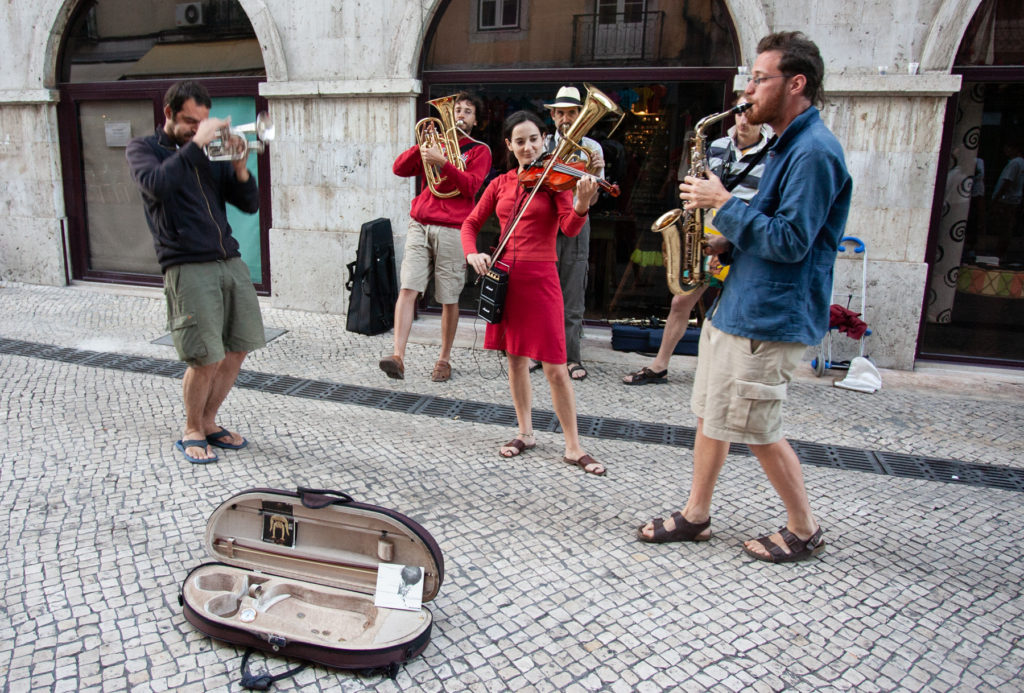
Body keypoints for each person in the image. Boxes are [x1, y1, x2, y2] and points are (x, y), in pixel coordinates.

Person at [637, 32, 852, 562]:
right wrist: (725, 239)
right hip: (740, 304)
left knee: (758, 428)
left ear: (795, 83)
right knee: (713, 414)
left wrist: (723, 204)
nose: (748, 88)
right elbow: (774, 223)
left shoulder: (815, 151)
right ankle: (696, 515)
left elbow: (792, 240)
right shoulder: (787, 143)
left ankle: (804, 528)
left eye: (759, 78)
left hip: (769, 315)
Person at [126, 80, 265, 464]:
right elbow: (157, 186)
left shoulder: (206, 154)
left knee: (237, 349)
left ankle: (208, 422)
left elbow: (249, 204)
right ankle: (191, 428)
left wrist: (240, 169)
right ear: (168, 113)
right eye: (189, 122)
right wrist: (194, 145)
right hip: (186, 263)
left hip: (228, 259)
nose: (196, 129)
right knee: (204, 356)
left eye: (201, 122)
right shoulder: (144, 150)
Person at [462, 110, 606, 476]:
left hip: (541, 281)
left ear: (544, 140)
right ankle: (525, 432)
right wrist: (472, 252)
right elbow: (471, 222)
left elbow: (570, 229)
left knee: (556, 368)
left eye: (533, 139)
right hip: (506, 277)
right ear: (509, 145)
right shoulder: (501, 183)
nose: (527, 147)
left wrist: (583, 204)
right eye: (519, 141)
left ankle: (573, 446)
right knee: (514, 360)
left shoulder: (553, 182)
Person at [623, 96, 772, 385]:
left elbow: (764, 208)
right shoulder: (716, 148)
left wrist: (729, 244)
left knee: (738, 307)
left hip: (742, 241)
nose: (742, 120)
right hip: (707, 233)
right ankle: (659, 365)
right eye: (739, 113)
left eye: (749, 112)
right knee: (681, 302)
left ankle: (738, 373)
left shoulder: (772, 155)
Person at [379, 93, 492, 382]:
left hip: (455, 228)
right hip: (420, 222)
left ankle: (444, 359)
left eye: (468, 112)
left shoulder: (480, 151)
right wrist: (424, 146)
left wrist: (444, 163)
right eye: (457, 110)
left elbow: (470, 188)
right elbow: (399, 169)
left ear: (476, 120)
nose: (460, 116)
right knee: (408, 288)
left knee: (448, 297)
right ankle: (398, 356)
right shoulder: (435, 145)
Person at [536, 86, 605, 382]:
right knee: (541, 291)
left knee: (573, 289)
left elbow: (595, 200)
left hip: (576, 219)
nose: (566, 118)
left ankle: (570, 356)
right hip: (545, 222)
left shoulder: (592, 149)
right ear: (552, 115)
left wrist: (593, 184)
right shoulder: (541, 144)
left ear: (580, 114)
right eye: (561, 113)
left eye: (572, 113)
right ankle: (540, 353)